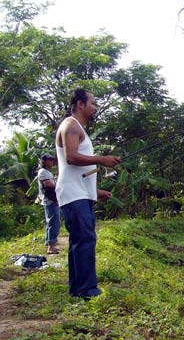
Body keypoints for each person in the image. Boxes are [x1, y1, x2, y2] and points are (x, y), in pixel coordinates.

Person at [55, 88, 120, 299]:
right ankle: (88, 291)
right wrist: (102, 159)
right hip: (73, 195)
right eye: (92, 103)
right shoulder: (70, 125)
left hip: (80, 193)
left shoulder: (77, 127)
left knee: (80, 241)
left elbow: (78, 170)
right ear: (80, 104)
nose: (95, 107)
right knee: (85, 240)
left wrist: (95, 191)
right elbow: (71, 157)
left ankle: (77, 290)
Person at [37, 153, 60, 255]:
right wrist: (59, 185)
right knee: (53, 223)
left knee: (51, 222)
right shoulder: (43, 172)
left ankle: (50, 243)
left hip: (52, 200)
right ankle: (51, 246)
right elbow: (48, 184)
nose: (52, 162)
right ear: (44, 161)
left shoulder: (48, 172)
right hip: (49, 200)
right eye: (50, 160)